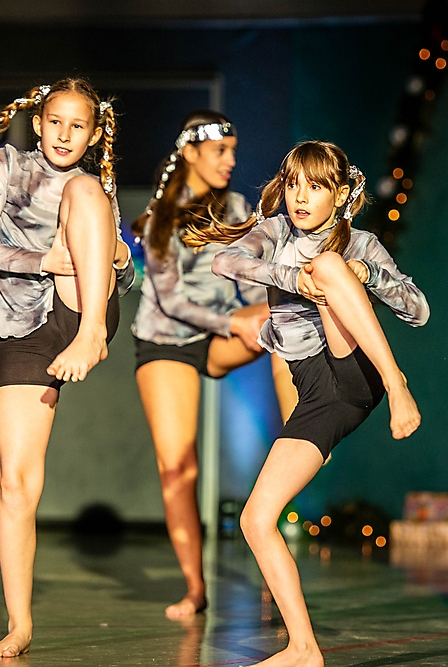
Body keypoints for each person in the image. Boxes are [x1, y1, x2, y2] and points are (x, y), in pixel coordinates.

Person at [211, 141, 429, 666]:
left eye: (315, 187)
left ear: (340, 194)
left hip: (356, 373)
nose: (300, 197)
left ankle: (397, 383)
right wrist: (293, 278)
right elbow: (225, 261)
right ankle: (304, 649)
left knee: (331, 265)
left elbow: (418, 310)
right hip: (316, 393)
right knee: (256, 520)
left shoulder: (361, 242)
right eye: (293, 185)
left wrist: (367, 275)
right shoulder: (276, 233)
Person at [0, 77, 133, 658]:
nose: (65, 135)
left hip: (83, 314)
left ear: (93, 134)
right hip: (25, 328)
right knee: (16, 483)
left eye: (78, 125)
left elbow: (126, 279)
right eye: (55, 122)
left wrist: (123, 258)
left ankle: (91, 336)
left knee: (85, 193)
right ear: (39, 123)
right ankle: (19, 624)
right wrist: (42, 258)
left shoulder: (95, 188)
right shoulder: (8, 165)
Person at [130, 111, 298, 618]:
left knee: (284, 315)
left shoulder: (240, 208)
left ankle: (303, 427)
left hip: (222, 333)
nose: (230, 160)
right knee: (178, 466)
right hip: (167, 340)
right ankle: (194, 588)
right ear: (191, 153)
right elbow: (171, 301)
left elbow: (253, 284)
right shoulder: (163, 214)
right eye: (220, 151)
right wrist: (233, 323)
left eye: (233, 151)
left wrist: (259, 313)